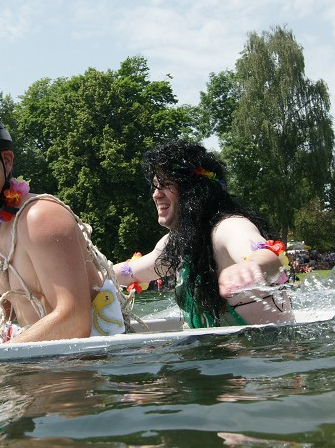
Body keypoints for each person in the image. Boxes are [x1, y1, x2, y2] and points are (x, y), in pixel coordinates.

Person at [0, 108, 126, 345]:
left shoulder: (40, 216)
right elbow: (4, 302)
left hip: (91, 368)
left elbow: (74, 319)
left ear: (6, 161)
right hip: (40, 363)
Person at [113, 140, 291, 328]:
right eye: (155, 186)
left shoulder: (229, 227)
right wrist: (89, 275)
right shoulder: (177, 243)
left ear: (194, 190)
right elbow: (131, 272)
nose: (156, 195)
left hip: (264, 352)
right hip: (219, 352)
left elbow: (268, 258)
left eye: (165, 185)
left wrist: (250, 267)